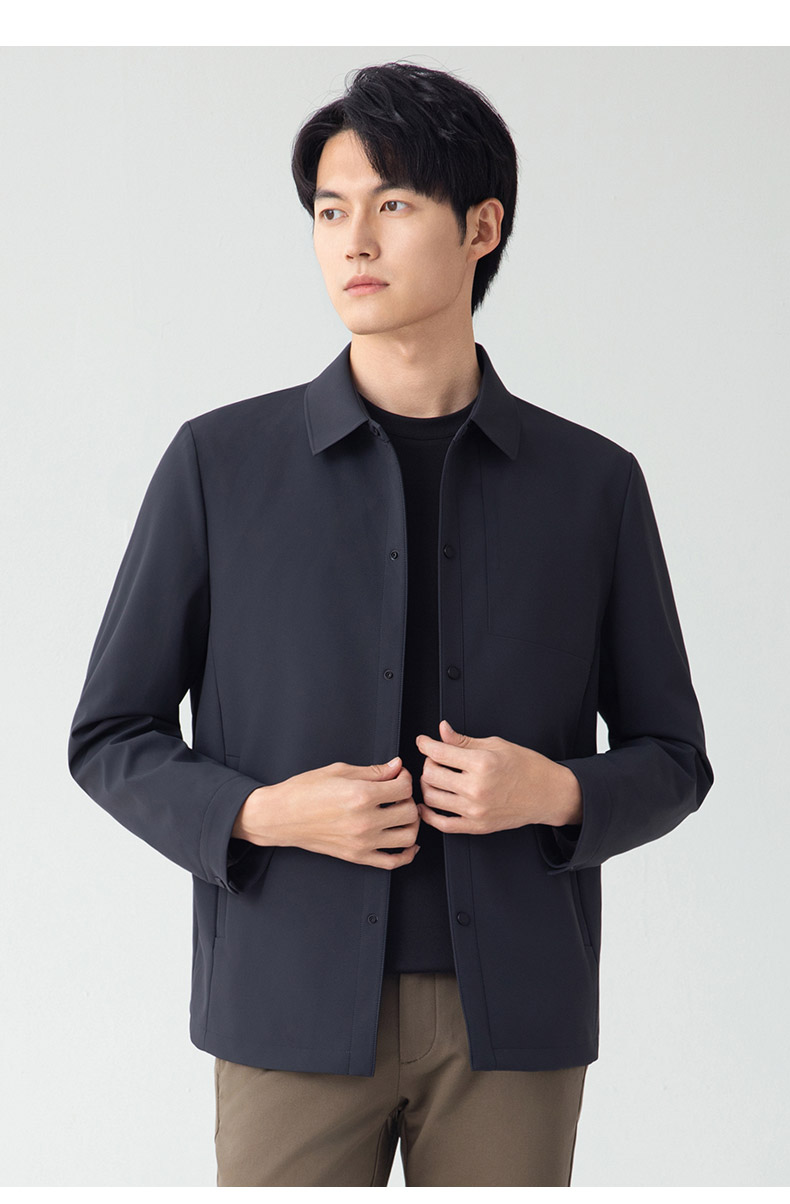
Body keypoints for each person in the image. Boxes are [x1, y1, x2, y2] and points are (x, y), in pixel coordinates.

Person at [67, 61, 714, 1187]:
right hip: (286, 1009)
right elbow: (109, 734)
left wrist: (554, 792)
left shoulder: (593, 485)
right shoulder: (219, 466)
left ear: (482, 227)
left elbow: (674, 756)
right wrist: (263, 812)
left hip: (514, 1021)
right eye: (329, 211)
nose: (353, 241)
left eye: (394, 203)